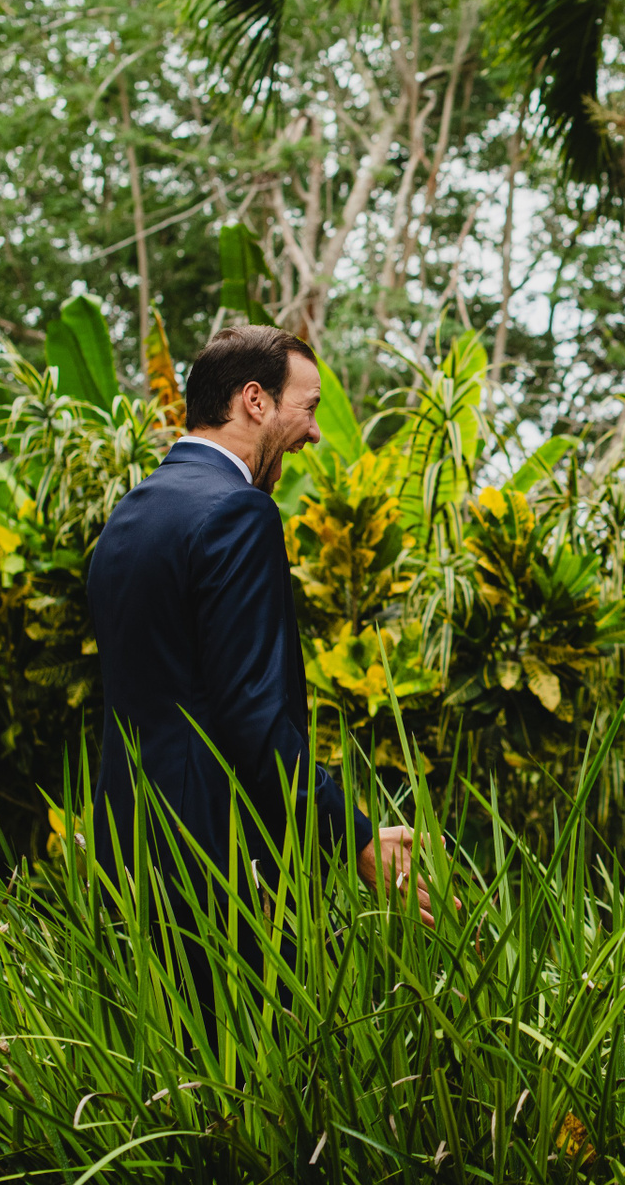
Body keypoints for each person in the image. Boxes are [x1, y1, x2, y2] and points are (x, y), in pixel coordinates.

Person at [88, 325, 434, 942]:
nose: (315, 432)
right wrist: (354, 838)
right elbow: (252, 717)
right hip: (216, 865)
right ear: (255, 400)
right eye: (309, 407)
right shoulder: (238, 511)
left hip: (129, 852)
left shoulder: (133, 512)